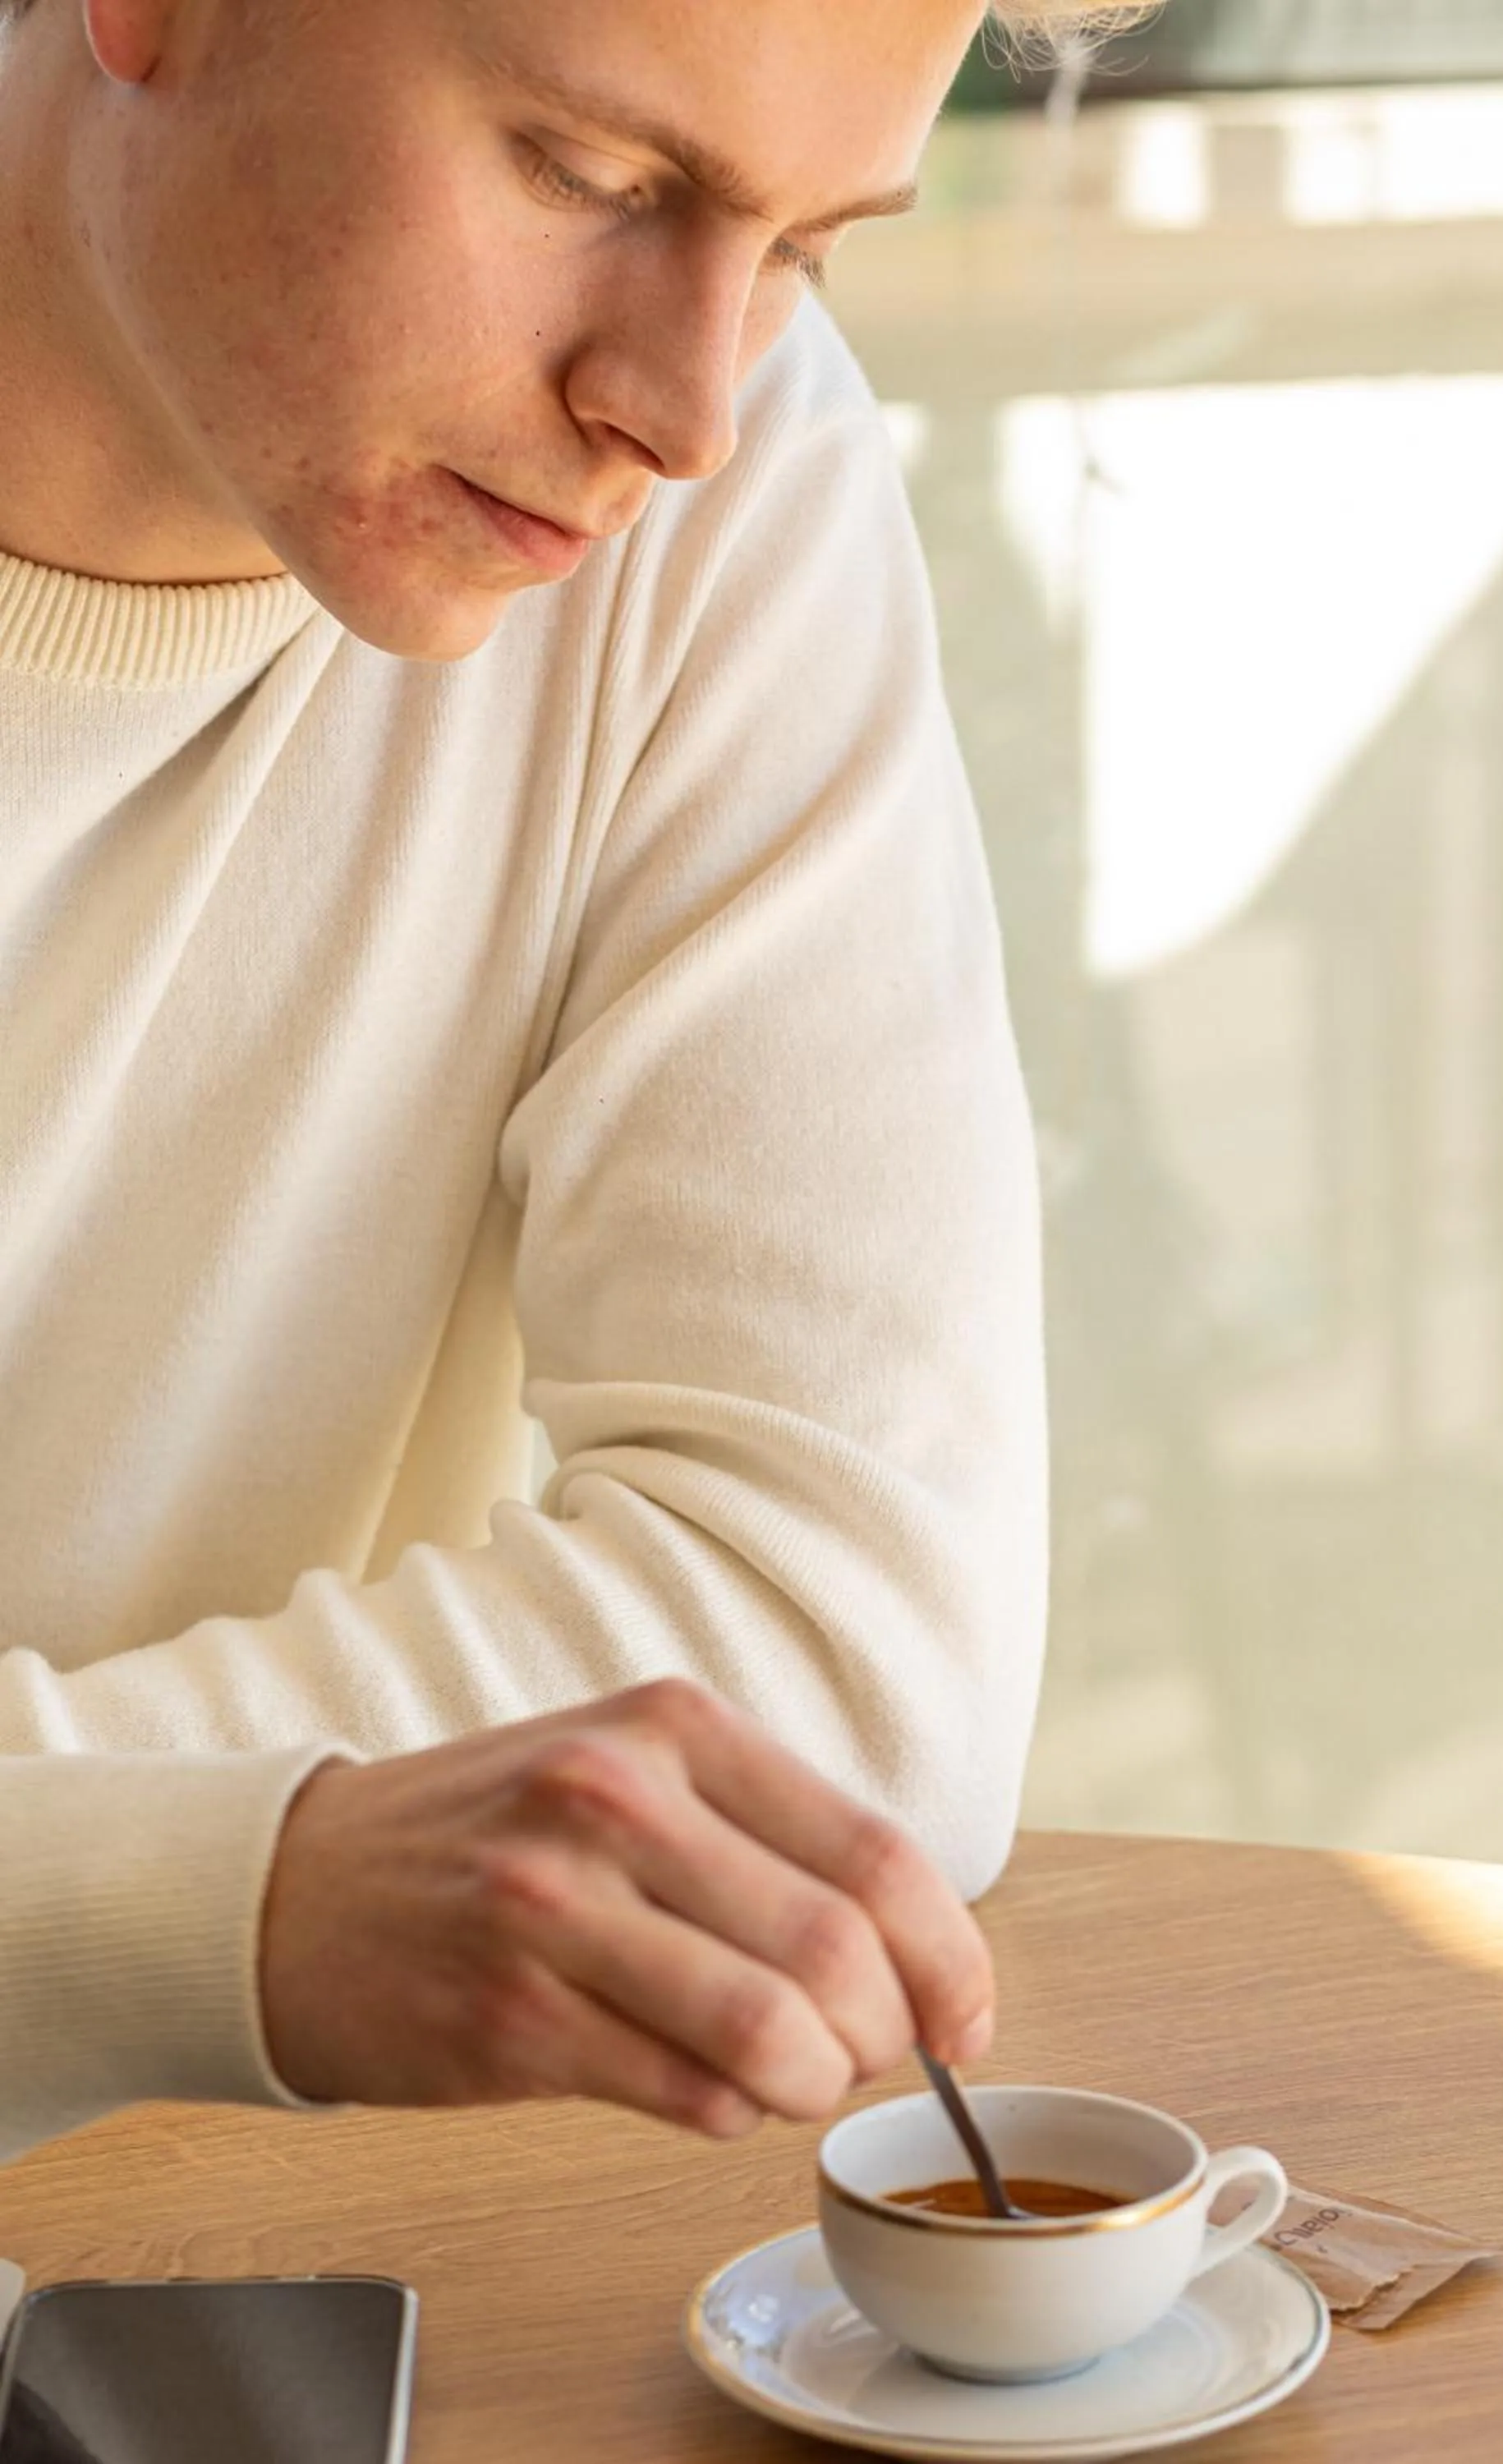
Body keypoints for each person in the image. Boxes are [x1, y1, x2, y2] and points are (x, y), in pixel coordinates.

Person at [0, 0, 1099, 2163]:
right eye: (600, 180)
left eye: (805, 248)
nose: (682, 406)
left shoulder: (715, 511)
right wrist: (219, 1899)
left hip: (188, 2250)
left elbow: (854, 1669)